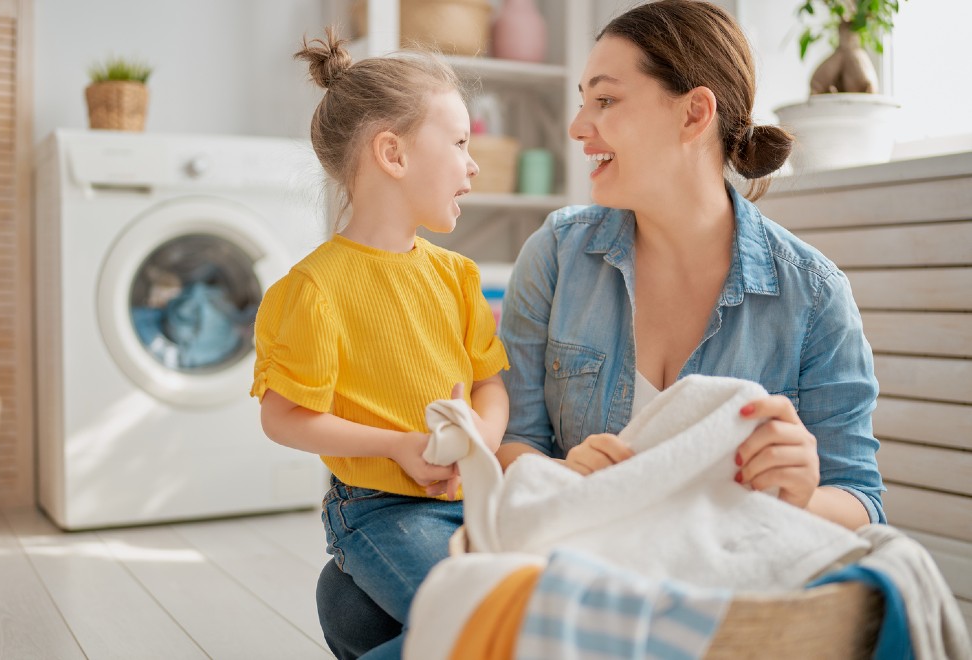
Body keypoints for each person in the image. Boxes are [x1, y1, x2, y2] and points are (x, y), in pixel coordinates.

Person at [314, 1, 888, 656]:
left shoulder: (811, 295)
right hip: (584, 556)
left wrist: (799, 490)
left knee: (358, 608)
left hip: (708, 573)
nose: (578, 125)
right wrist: (561, 475)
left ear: (693, 114)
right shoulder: (558, 254)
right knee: (350, 597)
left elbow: (861, 503)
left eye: (606, 101)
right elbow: (517, 441)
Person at [251, 28, 510, 660]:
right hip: (378, 510)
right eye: (458, 142)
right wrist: (399, 445)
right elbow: (284, 416)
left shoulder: (458, 276)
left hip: (471, 496)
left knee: (535, 597)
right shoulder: (314, 288)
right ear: (392, 154)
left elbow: (490, 384)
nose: (473, 163)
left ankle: (356, 606)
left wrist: (479, 437)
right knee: (491, 623)